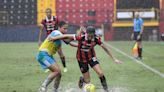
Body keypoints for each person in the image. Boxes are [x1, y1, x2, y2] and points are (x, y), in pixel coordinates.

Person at [74, 26, 122, 92]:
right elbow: (67, 37)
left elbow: (105, 48)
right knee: (88, 81)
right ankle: (82, 79)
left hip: (92, 57)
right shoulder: (81, 37)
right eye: (89, 36)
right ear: (86, 34)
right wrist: (56, 38)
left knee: (101, 73)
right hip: (81, 59)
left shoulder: (96, 38)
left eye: (92, 36)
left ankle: (106, 90)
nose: (91, 37)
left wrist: (114, 59)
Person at [37, 21, 75, 92]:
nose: (66, 31)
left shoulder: (58, 41)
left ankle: (55, 90)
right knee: (56, 71)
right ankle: (43, 87)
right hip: (43, 55)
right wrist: (76, 36)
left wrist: (81, 46)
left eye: (67, 29)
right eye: (64, 28)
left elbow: (68, 44)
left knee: (59, 74)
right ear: (59, 28)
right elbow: (67, 40)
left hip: (47, 56)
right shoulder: (56, 33)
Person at [38, 8, 68, 72]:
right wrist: (39, 40)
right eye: (47, 12)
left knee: (61, 53)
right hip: (49, 39)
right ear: (45, 13)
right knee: (45, 53)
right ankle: (47, 67)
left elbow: (60, 26)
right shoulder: (44, 20)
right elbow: (41, 29)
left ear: (51, 13)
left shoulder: (55, 19)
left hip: (56, 37)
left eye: (49, 12)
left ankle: (64, 67)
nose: (48, 13)